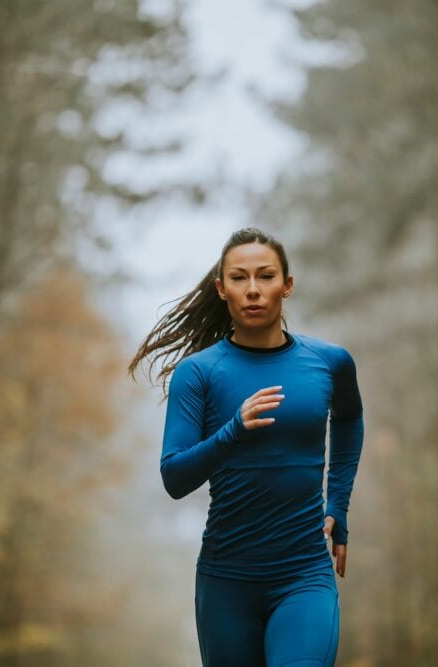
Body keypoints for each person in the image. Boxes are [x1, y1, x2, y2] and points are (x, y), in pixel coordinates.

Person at [128, 227, 364, 667]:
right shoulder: (197, 374)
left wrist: (339, 503)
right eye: (239, 278)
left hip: (304, 575)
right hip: (226, 582)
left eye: (265, 276)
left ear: (286, 285)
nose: (253, 290)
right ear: (221, 289)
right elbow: (175, 478)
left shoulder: (329, 363)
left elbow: (349, 418)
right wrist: (232, 431)